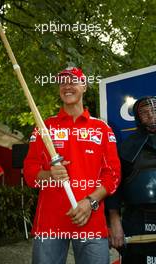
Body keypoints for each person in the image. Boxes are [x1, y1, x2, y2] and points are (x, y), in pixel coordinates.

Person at [24, 67, 121, 264]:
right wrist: (50, 174)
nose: (67, 86)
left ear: (84, 86)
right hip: (49, 223)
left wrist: (90, 202)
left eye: (73, 81)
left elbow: (113, 174)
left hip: (91, 220)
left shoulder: (102, 128)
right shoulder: (45, 128)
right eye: (63, 82)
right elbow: (29, 172)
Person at [107, 96, 156, 263]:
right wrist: (114, 221)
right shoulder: (127, 147)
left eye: (155, 111)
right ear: (138, 117)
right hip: (136, 220)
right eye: (146, 112)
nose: (152, 116)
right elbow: (114, 187)